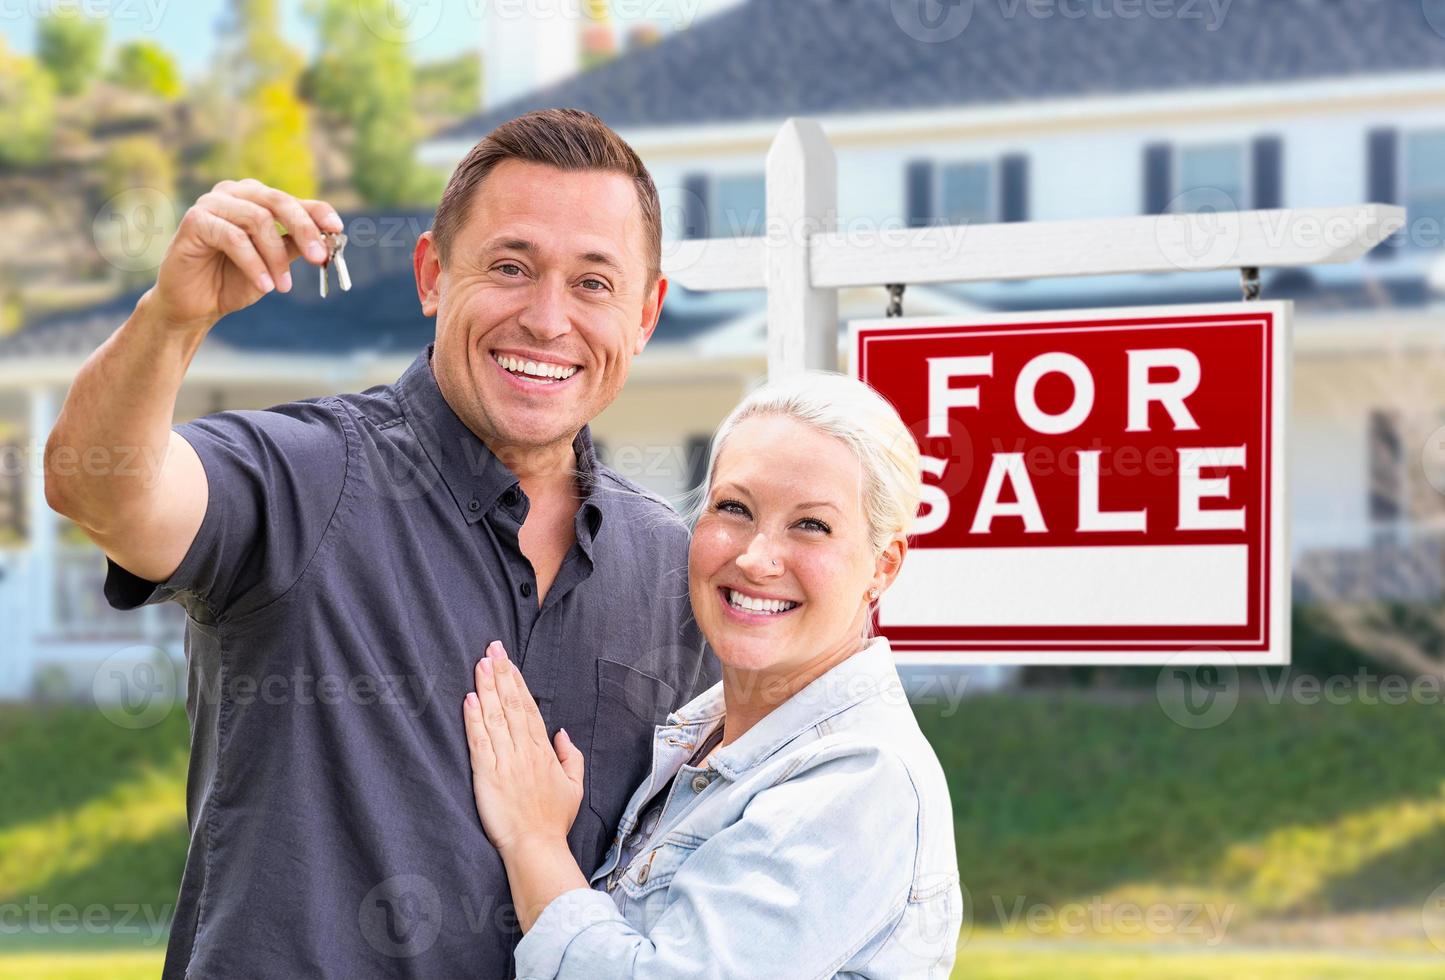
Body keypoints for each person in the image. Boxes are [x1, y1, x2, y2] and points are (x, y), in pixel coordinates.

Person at [43, 109, 718, 978]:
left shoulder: (673, 569)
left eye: (594, 283)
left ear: (646, 313)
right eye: (510, 267)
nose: (549, 320)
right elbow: (98, 488)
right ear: (433, 274)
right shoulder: (305, 479)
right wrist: (171, 320)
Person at [463, 372, 964, 977]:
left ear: (883, 566)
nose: (755, 558)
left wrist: (535, 843)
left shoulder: (861, 779)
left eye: (811, 525)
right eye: (734, 508)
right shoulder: (697, 737)